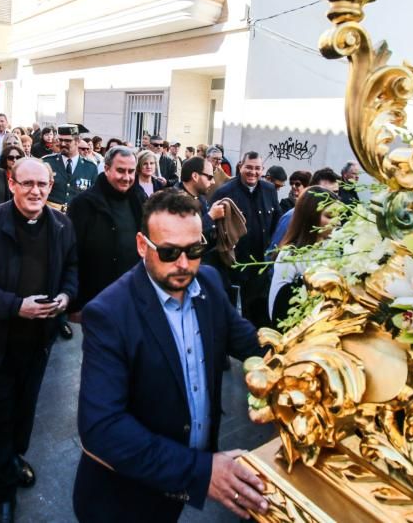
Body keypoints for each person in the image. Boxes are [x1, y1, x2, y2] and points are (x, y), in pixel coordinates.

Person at [73, 190, 268, 521]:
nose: (183, 264)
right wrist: (201, 471)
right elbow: (102, 428)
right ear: (141, 245)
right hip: (122, 498)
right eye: (168, 252)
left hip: (177, 490)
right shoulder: (109, 313)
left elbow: (249, 342)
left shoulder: (208, 280)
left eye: (194, 250)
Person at [0, 158, 78, 522]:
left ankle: (11, 457)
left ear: (51, 185)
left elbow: (71, 267)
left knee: (24, 412)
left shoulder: (61, 224)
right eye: (27, 183)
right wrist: (15, 306)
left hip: (38, 342)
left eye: (42, 184)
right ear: (11, 183)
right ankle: (1, 493)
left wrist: (67, 297)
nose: (35, 191)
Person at [67, 146, 142, 316]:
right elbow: (71, 256)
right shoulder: (83, 204)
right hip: (94, 301)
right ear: (107, 169)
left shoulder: (139, 199)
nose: (127, 177)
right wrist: (75, 304)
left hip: (132, 298)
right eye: (121, 171)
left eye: (131, 171)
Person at [211, 152, 281, 327]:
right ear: (240, 166)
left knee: (260, 319)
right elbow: (214, 231)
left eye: (257, 168)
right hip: (235, 270)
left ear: (262, 170)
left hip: (261, 268)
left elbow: (277, 224)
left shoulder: (269, 190)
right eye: (249, 167)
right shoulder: (225, 192)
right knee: (235, 320)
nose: (253, 172)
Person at [268, 187, 339, 326]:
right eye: (329, 216)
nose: (337, 222)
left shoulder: (337, 249)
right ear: (311, 215)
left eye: (339, 215)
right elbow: (276, 309)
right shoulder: (290, 255)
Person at [270, 167, 341, 251]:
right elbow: (272, 252)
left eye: (335, 192)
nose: (331, 197)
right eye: (324, 193)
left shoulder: (337, 218)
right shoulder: (291, 216)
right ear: (312, 190)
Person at [43, 125, 97, 211]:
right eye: (60, 140)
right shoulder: (47, 162)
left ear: (77, 141)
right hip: (51, 216)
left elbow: (93, 197)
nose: (63, 144)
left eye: (68, 141)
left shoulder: (90, 167)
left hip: (77, 217)